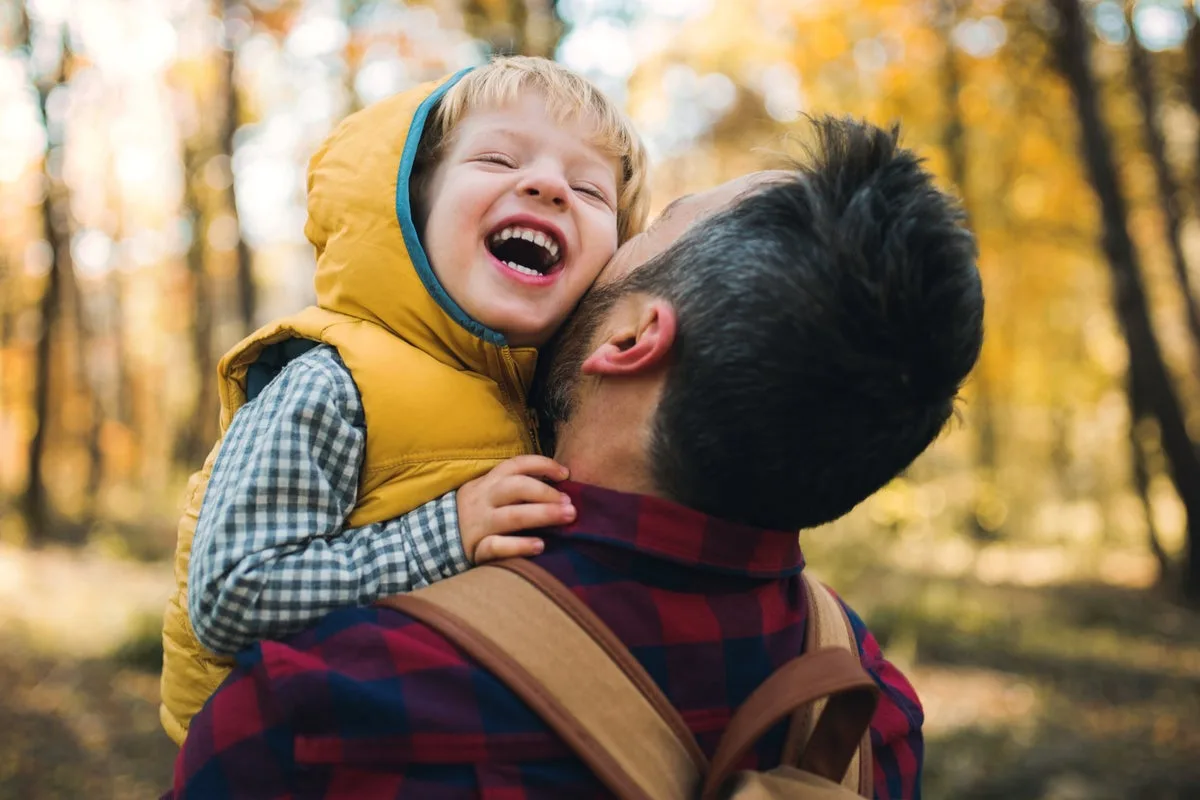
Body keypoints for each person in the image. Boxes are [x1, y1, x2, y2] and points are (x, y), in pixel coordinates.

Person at [167, 117, 984, 799]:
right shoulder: (869, 716)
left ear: (632, 339)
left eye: (652, 226)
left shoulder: (322, 709)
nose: (608, 234)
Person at [158, 55, 650, 745]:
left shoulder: (560, 410)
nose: (546, 184)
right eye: (498, 157)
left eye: (590, 189)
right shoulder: (332, 381)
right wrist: (447, 534)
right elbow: (232, 596)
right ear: (413, 205)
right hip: (289, 762)